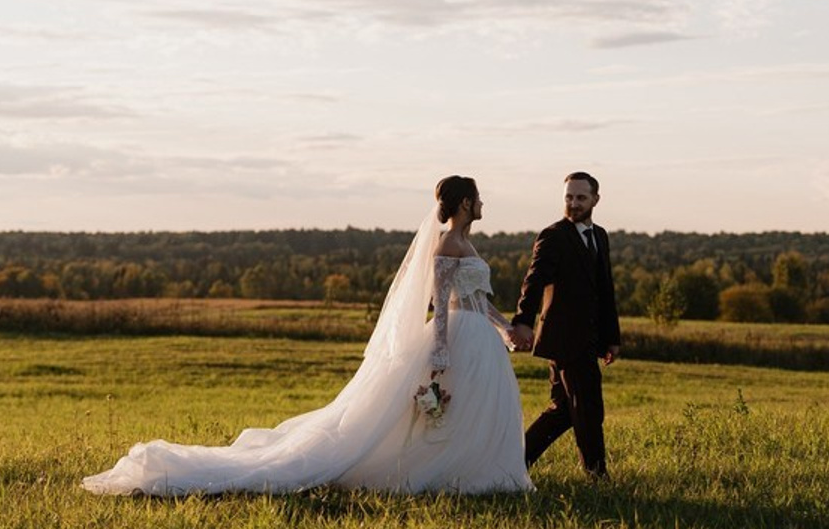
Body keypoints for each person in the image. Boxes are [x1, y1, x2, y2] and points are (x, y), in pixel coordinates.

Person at [82, 176, 533, 496]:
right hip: (455, 337)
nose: (481, 204)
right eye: (477, 198)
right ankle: (446, 473)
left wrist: (504, 326)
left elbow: (475, 297)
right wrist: (439, 354)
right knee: (442, 412)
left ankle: (480, 472)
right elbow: (439, 299)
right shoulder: (447, 244)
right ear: (462, 204)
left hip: (481, 337)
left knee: (479, 410)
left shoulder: (469, 245)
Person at [509, 170, 621, 476]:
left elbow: (605, 289)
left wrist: (611, 338)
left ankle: (512, 465)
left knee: (563, 410)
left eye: (581, 197)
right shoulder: (554, 236)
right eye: (569, 197)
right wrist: (522, 321)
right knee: (588, 408)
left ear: (595, 199)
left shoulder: (600, 236)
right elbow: (533, 282)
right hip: (563, 338)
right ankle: (598, 476)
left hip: (589, 337)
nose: (573, 203)